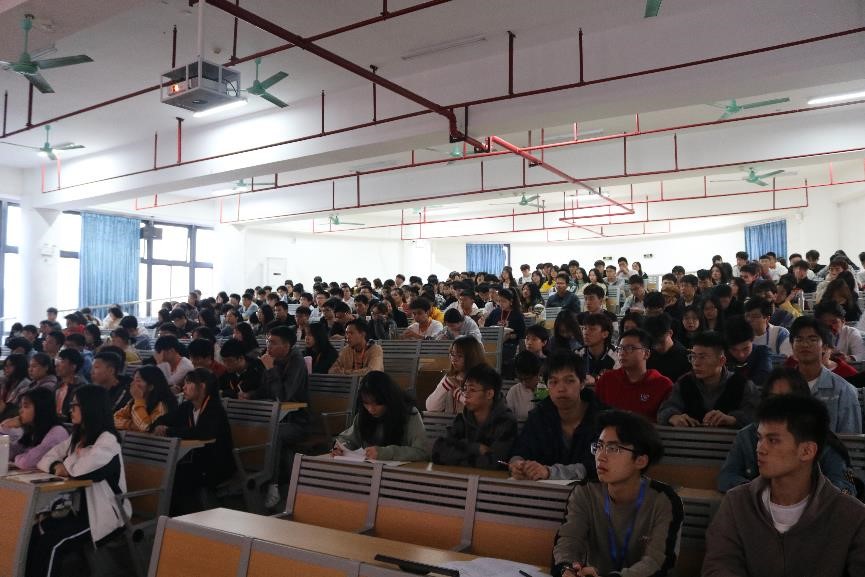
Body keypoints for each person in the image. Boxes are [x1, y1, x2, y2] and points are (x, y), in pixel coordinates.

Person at [703, 395, 865, 577]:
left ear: (807, 451)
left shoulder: (851, 516)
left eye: (773, 440)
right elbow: (719, 565)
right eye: (759, 438)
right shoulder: (737, 503)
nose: (760, 448)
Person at [551, 410, 683, 577]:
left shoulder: (664, 500)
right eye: (599, 446)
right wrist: (568, 569)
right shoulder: (585, 492)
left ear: (640, 461)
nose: (600, 456)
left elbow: (656, 563)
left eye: (613, 448)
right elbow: (568, 541)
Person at [33, 385, 132, 577]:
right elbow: (45, 459)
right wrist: (57, 466)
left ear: (90, 407)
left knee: (52, 544)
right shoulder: (78, 437)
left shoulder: (108, 440)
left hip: (104, 513)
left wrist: (66, 464)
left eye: (74, 405)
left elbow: (79, 471)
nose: (70, 409)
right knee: (36, 531)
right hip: (76, 510)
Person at [718, 368, 857, 495]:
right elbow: (726, 477)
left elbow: (845, 488)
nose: (779, 406)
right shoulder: (747, 436)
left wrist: (802, 496)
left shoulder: (820, 439)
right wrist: (760, 492)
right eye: (773, 399)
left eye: (788, 399)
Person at [509, 352, 605, 481]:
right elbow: (520, 450)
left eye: (569, 381)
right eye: (553, 382)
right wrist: (517, 464)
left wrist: (551, 472)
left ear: (582, 383)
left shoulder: (603, 418)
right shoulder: (539, 416)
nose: (561, 388)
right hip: (543, 492)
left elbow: (597, 465)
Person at [153, 369, 236, 515]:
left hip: (215, 464)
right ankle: (171, 517)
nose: (183, 387)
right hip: (195, 460)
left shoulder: (214, 409)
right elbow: (164, 420)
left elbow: (202, 433)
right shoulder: (187, 407)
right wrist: (160, 426)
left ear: (202, 386)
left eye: (188, 383)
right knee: (168, 473)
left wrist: (169, 430)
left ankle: (184, 518)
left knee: (177, 478)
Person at [657, 331, 759, 428]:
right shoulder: (684, 383)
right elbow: (665, 409)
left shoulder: (742, 384)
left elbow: (757, 415)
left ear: (721, 361)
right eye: (693, 356)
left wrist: (733, 419)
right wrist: (672, 416)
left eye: (703, 357)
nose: (696, 363)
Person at [431, 364, 517, 470]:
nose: (466, 394)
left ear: (489, 394)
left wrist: (458, 453)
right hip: (462, 478)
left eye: (472, 390)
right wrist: (476, 448)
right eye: (465, 389)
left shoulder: (506, 422)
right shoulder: (462, 418)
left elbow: (496, 462)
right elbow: (438, 452)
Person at [333, 371, 428, 462]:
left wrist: (386, 453)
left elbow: (422, 452)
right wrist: (340, 447)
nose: (371, 409)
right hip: (368, 470)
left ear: (388, 399)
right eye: (366, 403)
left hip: (402, 471)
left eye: (377, 403)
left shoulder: (409, 414)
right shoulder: (364, 415)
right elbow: (347, 439)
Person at [788, 316, 861, 433]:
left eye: (812, 339)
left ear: (825, 347)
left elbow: (850, 439)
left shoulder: (843, 390)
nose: (805, 344)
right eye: (799, 339)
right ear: (792, 346)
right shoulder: (781, 386)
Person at [595, 329, 673, 422]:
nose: (622, 353)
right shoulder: (607, 379)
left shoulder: (662, 385)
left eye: (630, 348)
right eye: (620, 348)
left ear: (646, 354)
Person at [7, 387, 69, 470]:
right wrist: (4, 427)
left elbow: (26, 463)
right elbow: (9, 453)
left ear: (40, 408)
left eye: (25, 406)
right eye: (20, 407)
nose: (20, 411)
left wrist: (17, 458)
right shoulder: (33, 430)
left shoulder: (57, 432)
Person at [425, 336, 486, 413]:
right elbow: (431, 407)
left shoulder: (482, 379)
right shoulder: (450, 377)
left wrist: (457, 393)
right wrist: (446, 384)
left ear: (472, 357)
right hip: (450, 420)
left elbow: (475, 408)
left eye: (460, 356)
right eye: (452, 354)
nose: (454, 359)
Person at [113, 365, 178, 432]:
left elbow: (147, 427)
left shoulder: (163, 405)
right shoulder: (134, 402)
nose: (132, 384)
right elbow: (114, 419)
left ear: (150, 387)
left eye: (138, 380)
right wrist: (132, 425)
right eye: (133, 380)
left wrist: (138, 399)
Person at [724, 316, 773, 388]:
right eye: (734, 350)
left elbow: (764, 377)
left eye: (745, 348)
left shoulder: (762, 352)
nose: (741, 355)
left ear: (752, 340)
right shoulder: (723, 356)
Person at [644, 314, 692, 383]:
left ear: (670, 333)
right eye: (653, 343)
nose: (657, 347)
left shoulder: (686, 357)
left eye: (661, 342)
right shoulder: (648, 355)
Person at [579, 313, 619, 385]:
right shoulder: (578, 354)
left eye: (592, 329)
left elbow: (618, 381)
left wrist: (596, 379)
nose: (586, 333)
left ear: (605, 334)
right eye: (584, 328)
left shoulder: (616, 356)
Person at [506, 351, 544, 422]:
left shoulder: (546, 389)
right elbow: (508, 420)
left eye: (528, 379)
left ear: (537, 374)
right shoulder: (514, 392)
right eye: (520, 379)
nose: (524, 383)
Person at [54, 348, 86, 421]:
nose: (57, 365)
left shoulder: (81, 388)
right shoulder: (58, 385)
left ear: (73, 366)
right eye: (57, 360)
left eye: (62, 361)